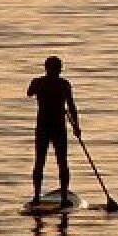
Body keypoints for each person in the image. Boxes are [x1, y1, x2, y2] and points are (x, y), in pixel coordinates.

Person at [26, 56, 81, 205]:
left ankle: (41, 197)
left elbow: (29, 92)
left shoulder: (41, 82)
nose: (59, 70)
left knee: (46, 161)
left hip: (48, 126)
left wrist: (76, 126)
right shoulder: (62, 84)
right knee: (55, 161)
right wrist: (76, 126)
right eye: (58, 67)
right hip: (53, 126)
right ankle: (55, 198)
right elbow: (71, 106)